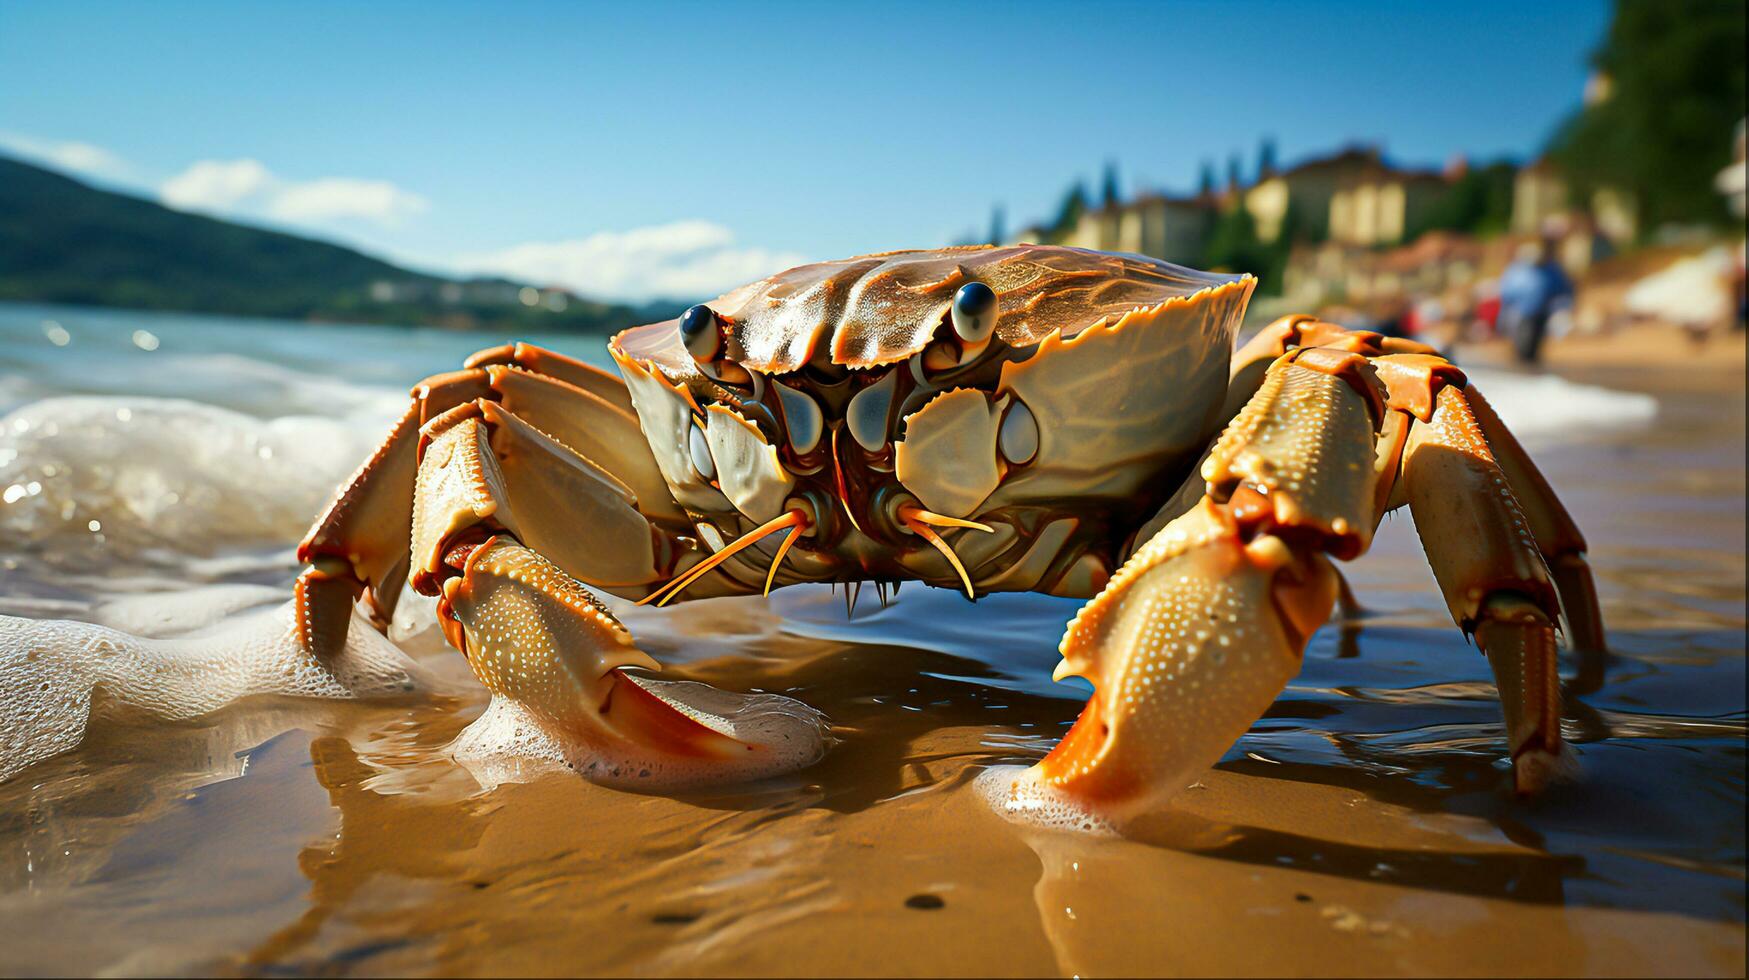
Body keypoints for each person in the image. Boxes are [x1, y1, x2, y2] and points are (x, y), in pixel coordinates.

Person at [1496, 238, 1573, 364]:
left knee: (1535, 344)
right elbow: (1507, 292)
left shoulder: (1551, 269)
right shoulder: (1517, 270)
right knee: (1522, 342)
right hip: (1520, 312)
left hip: (1542, 311)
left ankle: (1530, 365)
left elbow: (1563, 288)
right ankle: (1522, 364)